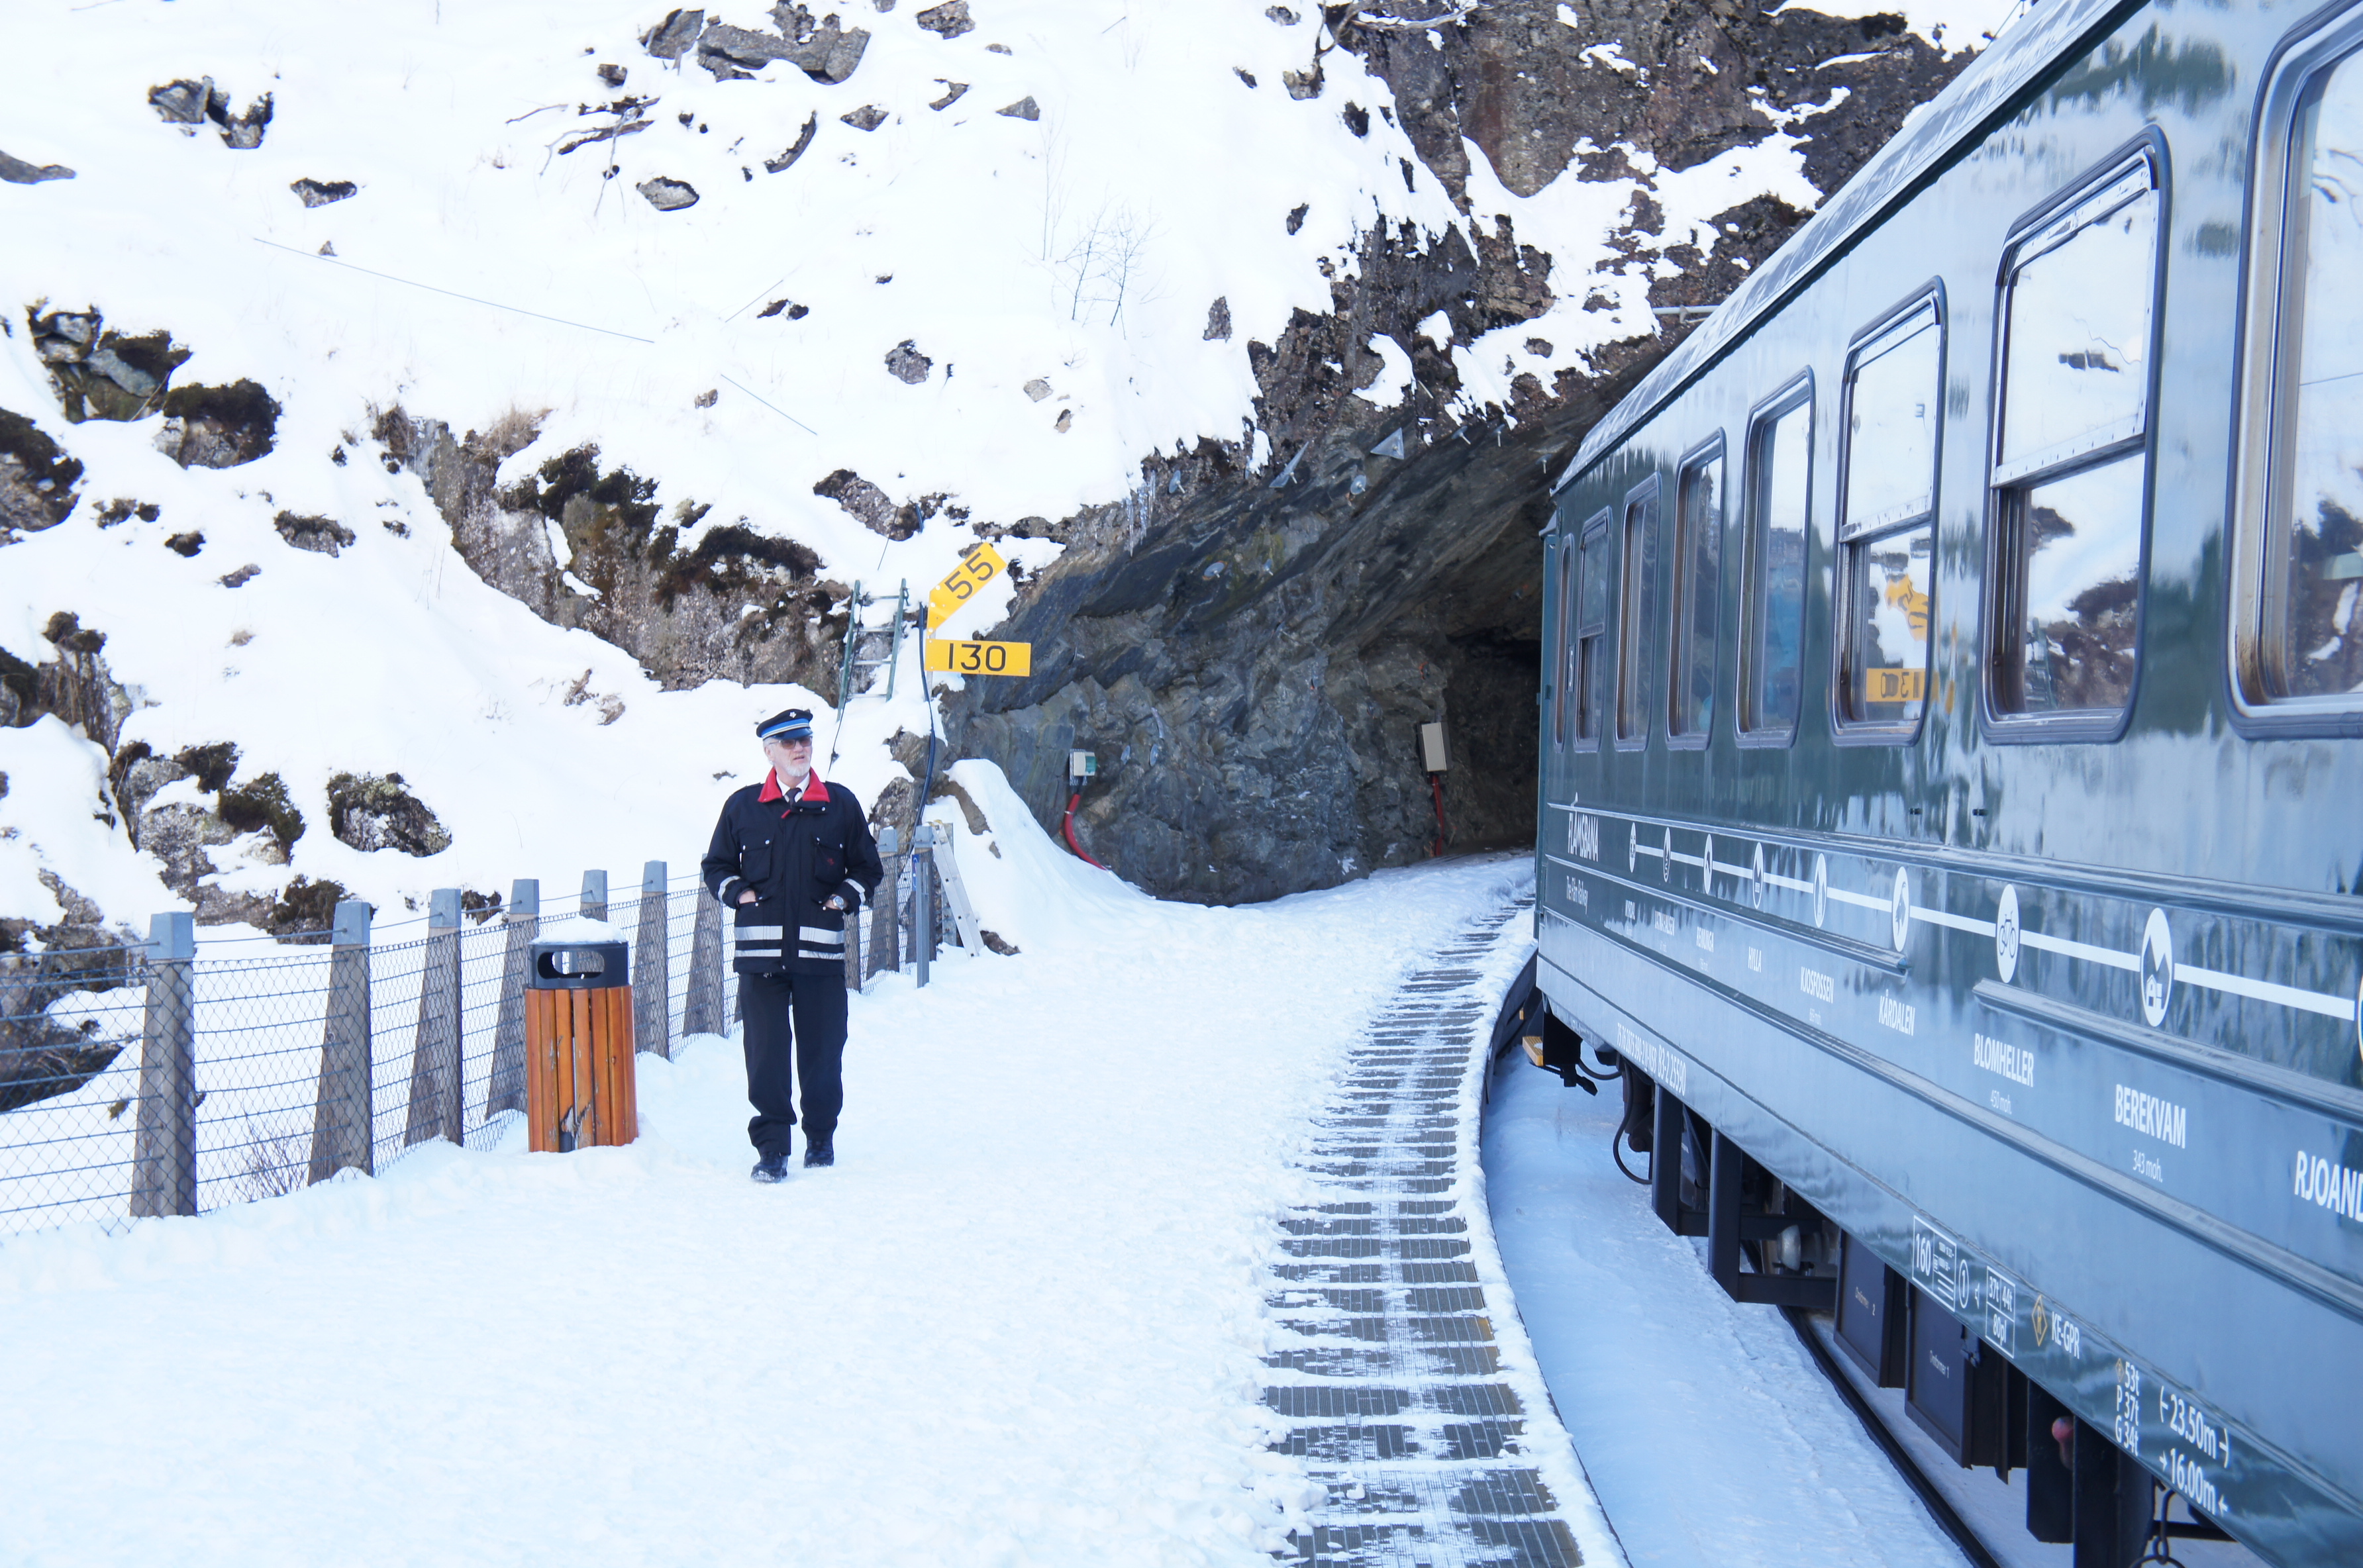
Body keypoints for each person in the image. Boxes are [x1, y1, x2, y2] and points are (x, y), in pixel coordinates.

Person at [701, 708, 883, 1181]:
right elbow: (715, 866)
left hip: (820, 957)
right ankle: (772, 1149)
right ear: (769, 752)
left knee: (823, 1052)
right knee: (766, 1057)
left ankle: (820, 1138)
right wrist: (737, 892)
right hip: (760, 960)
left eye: (805, 739)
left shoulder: (840, 805)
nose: (800, 748)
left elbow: (869, 870)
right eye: (788, 743)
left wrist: (844, 899)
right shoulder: (742, 807)